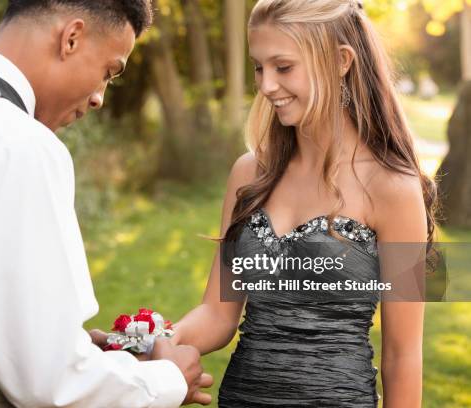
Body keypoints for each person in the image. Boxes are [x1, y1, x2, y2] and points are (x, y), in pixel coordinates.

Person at [0, 1, 212, 406]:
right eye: (109, 72)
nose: (99, 97)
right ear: (72, 37)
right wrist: (166, 380)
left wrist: (73, 347)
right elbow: (50, 381)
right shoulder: (17, 143)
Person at [171, 0, 434, 406]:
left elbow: (403, 354)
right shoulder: (248, 173)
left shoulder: (393, 187)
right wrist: (156, 341)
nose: (266, 85)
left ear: (341, 61)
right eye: (259, 67)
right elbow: (218, 315)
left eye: (283, 67)